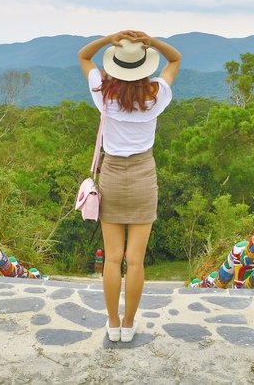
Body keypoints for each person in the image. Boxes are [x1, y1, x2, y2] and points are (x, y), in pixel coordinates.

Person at [77, 30, 181, 343]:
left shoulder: (103, 94)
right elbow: (175, 59)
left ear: (116, 65)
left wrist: (109, 39)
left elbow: (83, 56)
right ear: (145, 67)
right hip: (142, 175)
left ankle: (111, 323)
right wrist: (153, 42)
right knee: (134, 260)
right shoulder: (156, 95)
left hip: (110, 175)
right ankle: (128, 322)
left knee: (112, 258)